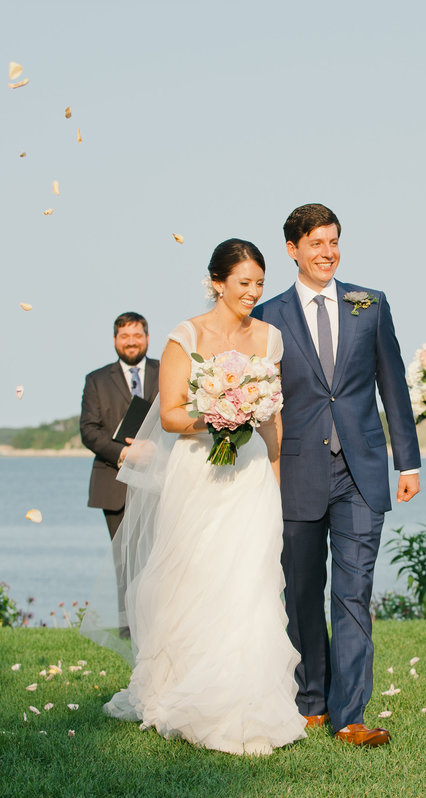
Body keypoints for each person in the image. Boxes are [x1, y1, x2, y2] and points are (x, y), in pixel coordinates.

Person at [97, 239, 306, 756]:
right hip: (199, 474)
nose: (253, 293)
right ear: (217, 282)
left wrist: (276, 481)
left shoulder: (270, 338)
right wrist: (218, 415)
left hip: (251, 474)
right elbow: (169, 414)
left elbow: (273, 417)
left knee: (250, 582)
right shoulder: (184, 336)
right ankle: (184, 691)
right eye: (244, 283)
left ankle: (248, 697)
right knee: (199, 578)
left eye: (259, 283)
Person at [252, 204, 421, 748]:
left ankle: (351, 714)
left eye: (334, 242)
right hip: (296, 470)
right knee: (302, 592)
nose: (327, 252)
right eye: (316, 243)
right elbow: (262, 400)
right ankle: (312, 702)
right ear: (292, 250)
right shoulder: (268, 316)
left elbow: (392, 383)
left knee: (354, 592)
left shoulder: (369, 305)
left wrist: (408, 461)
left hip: (361, 471)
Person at [80, 312, 159, 631]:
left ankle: (158, 622)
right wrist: (126, 452)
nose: (131, 342)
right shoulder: (96, 380)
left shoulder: (166, 370)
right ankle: (129, 628)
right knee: (124, 560)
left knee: (158, 555)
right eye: (125, 336)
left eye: (137, 335)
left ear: (147, 338)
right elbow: (89, 430)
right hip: (114, 482)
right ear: (115, 340)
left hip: (160, 479)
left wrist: (154, 448)